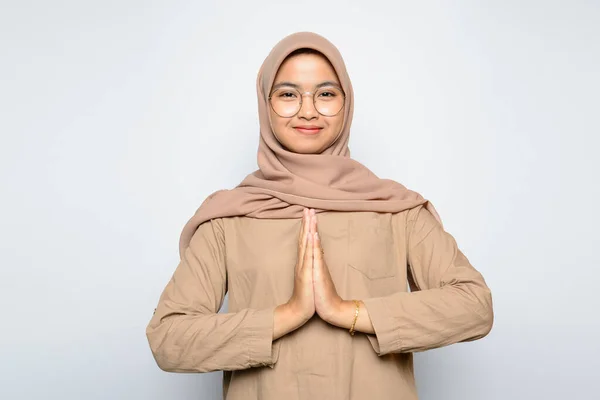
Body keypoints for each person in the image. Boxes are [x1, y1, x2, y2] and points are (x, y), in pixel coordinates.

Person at [146, 31, 494, 400]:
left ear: (346, 104)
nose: (308, 110)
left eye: (326, 94)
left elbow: (474, 305)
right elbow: (168, 338)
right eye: (288, 94)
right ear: (266, 105)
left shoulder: (395, 208)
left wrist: (349, 312)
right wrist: (285, 316)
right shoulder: (228, 217)